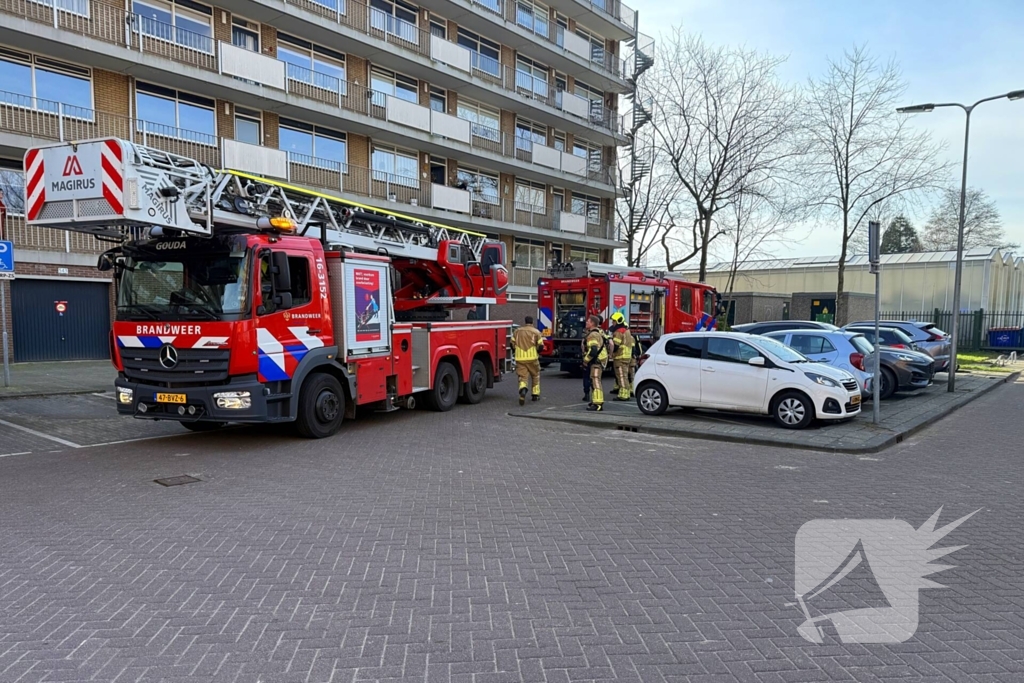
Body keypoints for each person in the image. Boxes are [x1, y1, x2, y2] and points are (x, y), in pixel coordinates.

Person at [511, 316, 544, 405]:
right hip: (532, 358)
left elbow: (512, 344)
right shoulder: (536, 332)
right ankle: (535, 395)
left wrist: (516, 352)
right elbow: (541, 346)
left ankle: (523, 389)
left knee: (523, 376)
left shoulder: (517, 331)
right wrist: (537, 352)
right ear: (532, 322)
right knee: (535, 375)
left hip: (520, 358)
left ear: (525, 322)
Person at [582, 314, 608, 411]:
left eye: (588, 321)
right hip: (598, 360)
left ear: (592, 323)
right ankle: (595, 401)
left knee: (596, 381)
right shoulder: (597, 333)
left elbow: (593, 350)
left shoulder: (593, 335)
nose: (586, 323)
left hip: (596, 361)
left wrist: (585, 360)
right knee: (594, 381)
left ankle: (598, 404)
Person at [609, 312, 635, 401]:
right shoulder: (626, 330)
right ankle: (626, 393)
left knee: (621, 376)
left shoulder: (619, 331)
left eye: (614, 321)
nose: (613, 323)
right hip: (626, 357)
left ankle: (623, 395)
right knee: (624, 376)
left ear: (618, 321)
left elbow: (615, 345)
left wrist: (610, 352)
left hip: (620, 357)